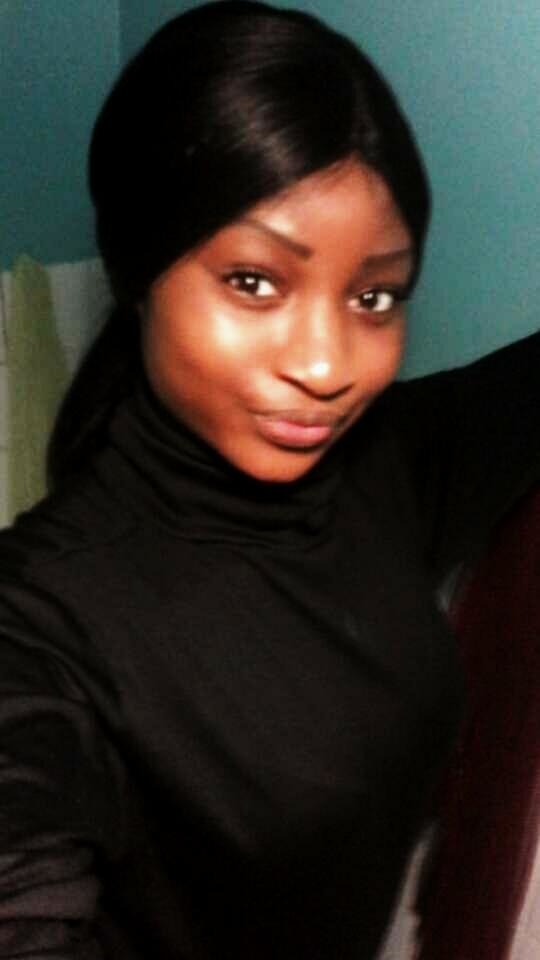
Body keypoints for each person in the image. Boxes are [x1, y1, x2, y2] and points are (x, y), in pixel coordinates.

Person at [0, 2, 538, 958]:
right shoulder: (35, 626)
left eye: (374, 296)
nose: (327, 366)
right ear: (139, 268)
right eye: (254, 281)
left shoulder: (387, 469)